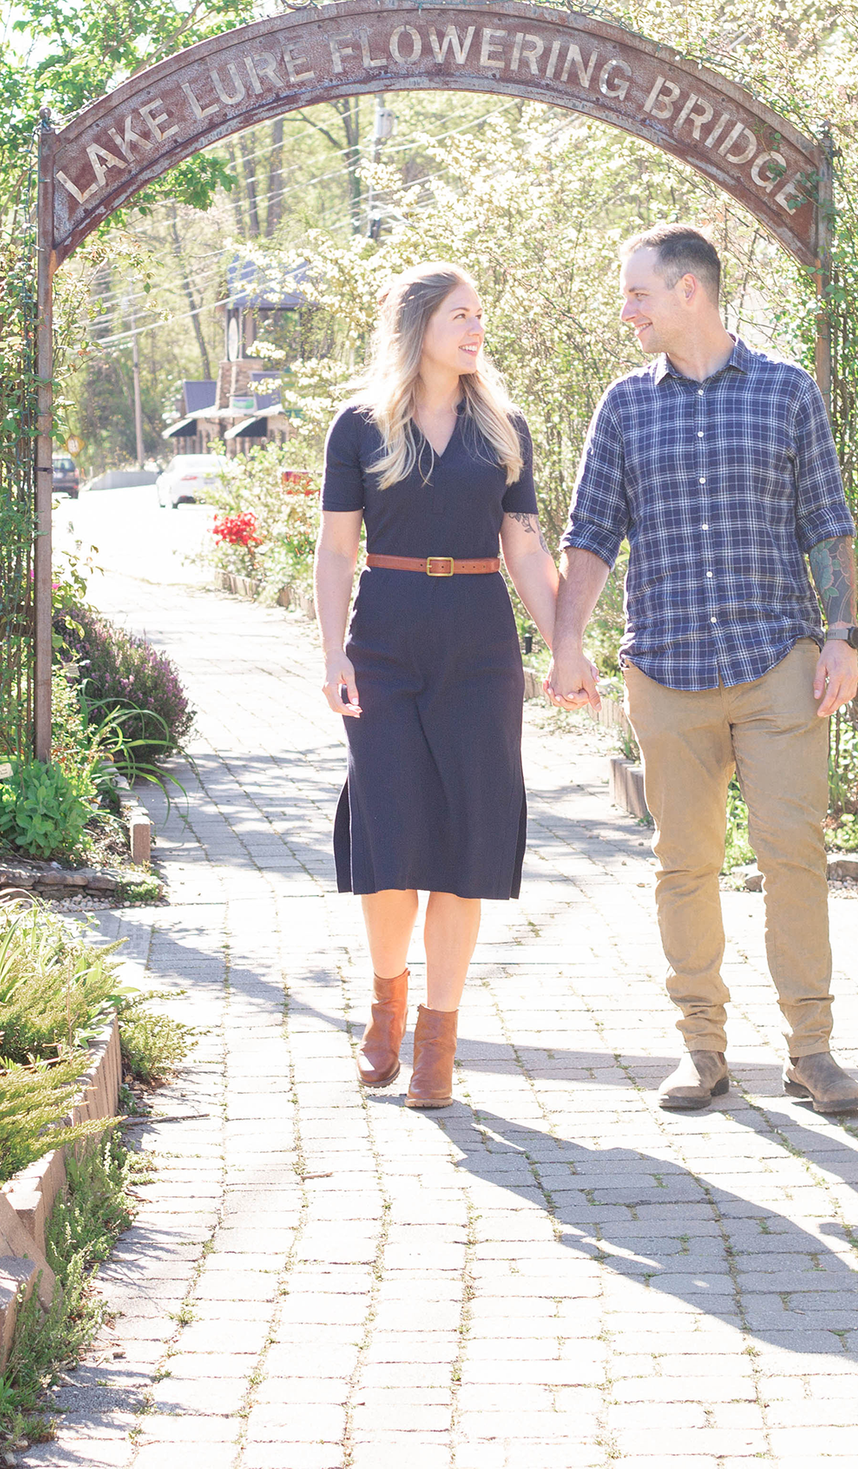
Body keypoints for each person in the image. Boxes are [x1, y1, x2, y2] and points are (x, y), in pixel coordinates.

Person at [546, 223, 858, 1115]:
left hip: (776, 661)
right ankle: (702, 1047)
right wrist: (568, 641)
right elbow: (589, 536)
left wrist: (842, 633)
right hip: (667, 666)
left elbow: (827, 521)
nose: (627, 310)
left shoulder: (785, 392)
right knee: (683, 863)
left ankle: (812, 1049)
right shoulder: (624, 406)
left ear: (690, 291)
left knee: (793, 852)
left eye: (638, 293)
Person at [314, 262, 563, 1110]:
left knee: (465, 846)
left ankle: (438, 1041)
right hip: (382, 641)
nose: (476, 327)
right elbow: (337, 550)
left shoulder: (503, 428)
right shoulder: (359, 427)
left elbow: (526, 548)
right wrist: (331, 653)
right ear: (419, 325)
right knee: (392, 843)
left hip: (480, 645)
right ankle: (386, 1000)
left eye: (479, 315)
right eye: (461, 314)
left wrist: (567, 644)